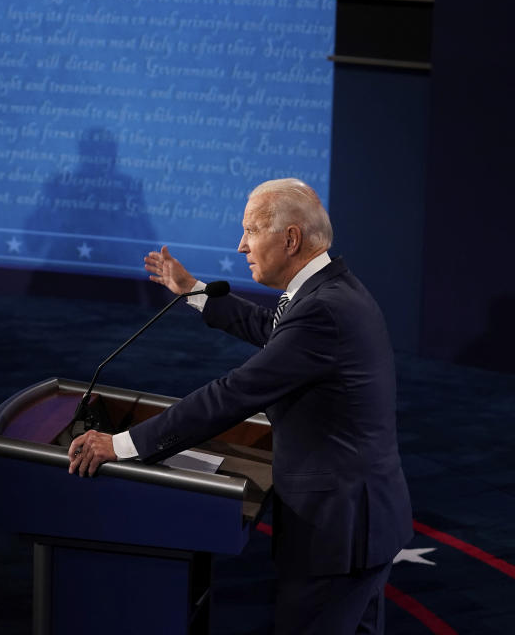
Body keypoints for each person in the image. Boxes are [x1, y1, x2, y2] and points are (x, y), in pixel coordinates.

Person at [68, 178, 413, 633]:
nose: (240, 245)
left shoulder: (323, 311)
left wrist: (124, 446)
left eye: (251, 231)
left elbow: (233, 394)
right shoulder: (331, 291)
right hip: (361, 521)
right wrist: (193, 290)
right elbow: (274, 328)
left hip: (338, 532)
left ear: (290, 239)